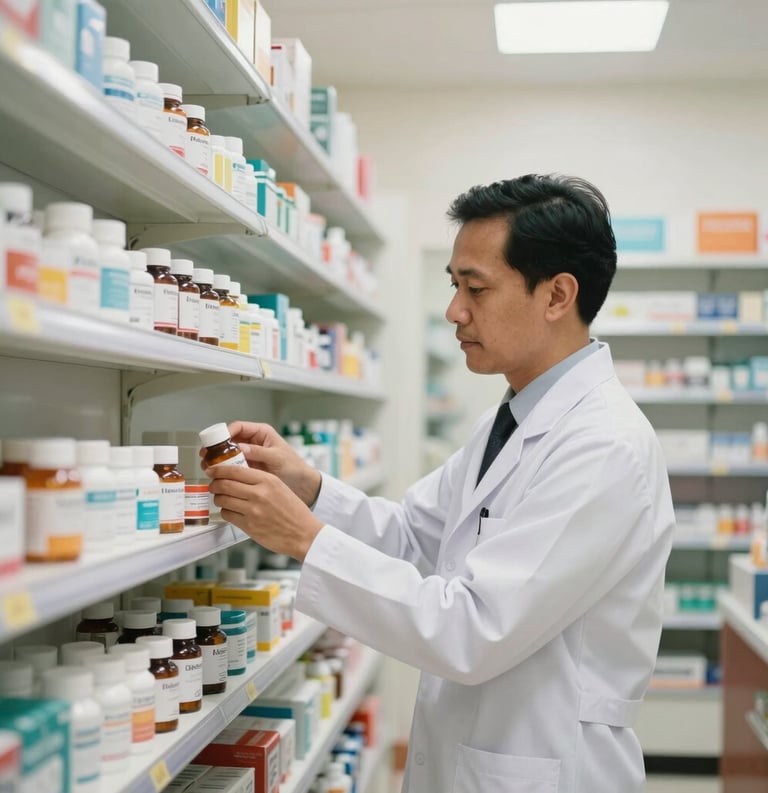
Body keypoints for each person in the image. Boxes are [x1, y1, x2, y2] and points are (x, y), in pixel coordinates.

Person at [206, 174, 675, 793]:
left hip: (550, 768)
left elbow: (473, 630)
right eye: (455, 286)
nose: (455, 311)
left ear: (558, 294)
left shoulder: (603, 447)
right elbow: (417, 538)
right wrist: (311, 488)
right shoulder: (507, 419)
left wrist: (306, 540)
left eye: (475, 288)